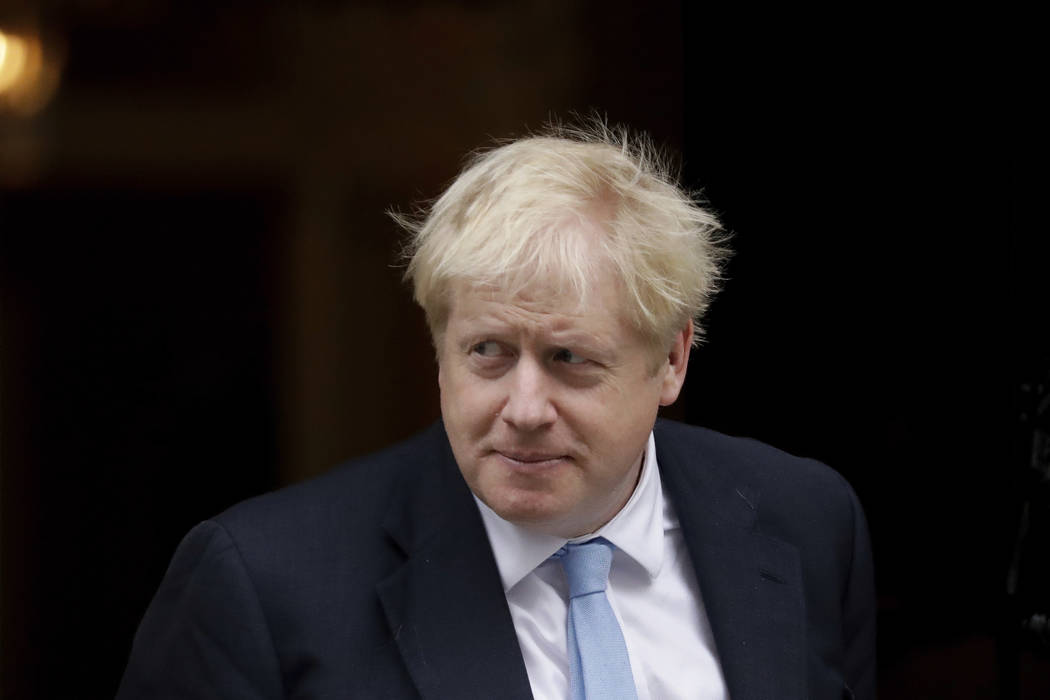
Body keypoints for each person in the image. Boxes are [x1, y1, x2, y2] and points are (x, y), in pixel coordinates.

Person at [117, 123, 876, 699]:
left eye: (569, 359)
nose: (524, 408)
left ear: (672, 360)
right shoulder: (261, 584)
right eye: (488, 352)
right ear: (439, 347)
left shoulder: (804, 522)